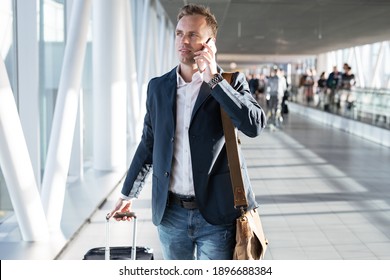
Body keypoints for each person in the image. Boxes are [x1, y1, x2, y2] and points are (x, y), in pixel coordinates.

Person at [108, 4, 266, 260]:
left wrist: (214, 80)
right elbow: (149, 144)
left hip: (216, 215)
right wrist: (129, 193)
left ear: (210, 43)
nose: (184, 40)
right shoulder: (158, 87)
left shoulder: (230, 82)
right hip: (171, 214)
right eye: (180, 33)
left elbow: (254, 125)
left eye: (193, 35)